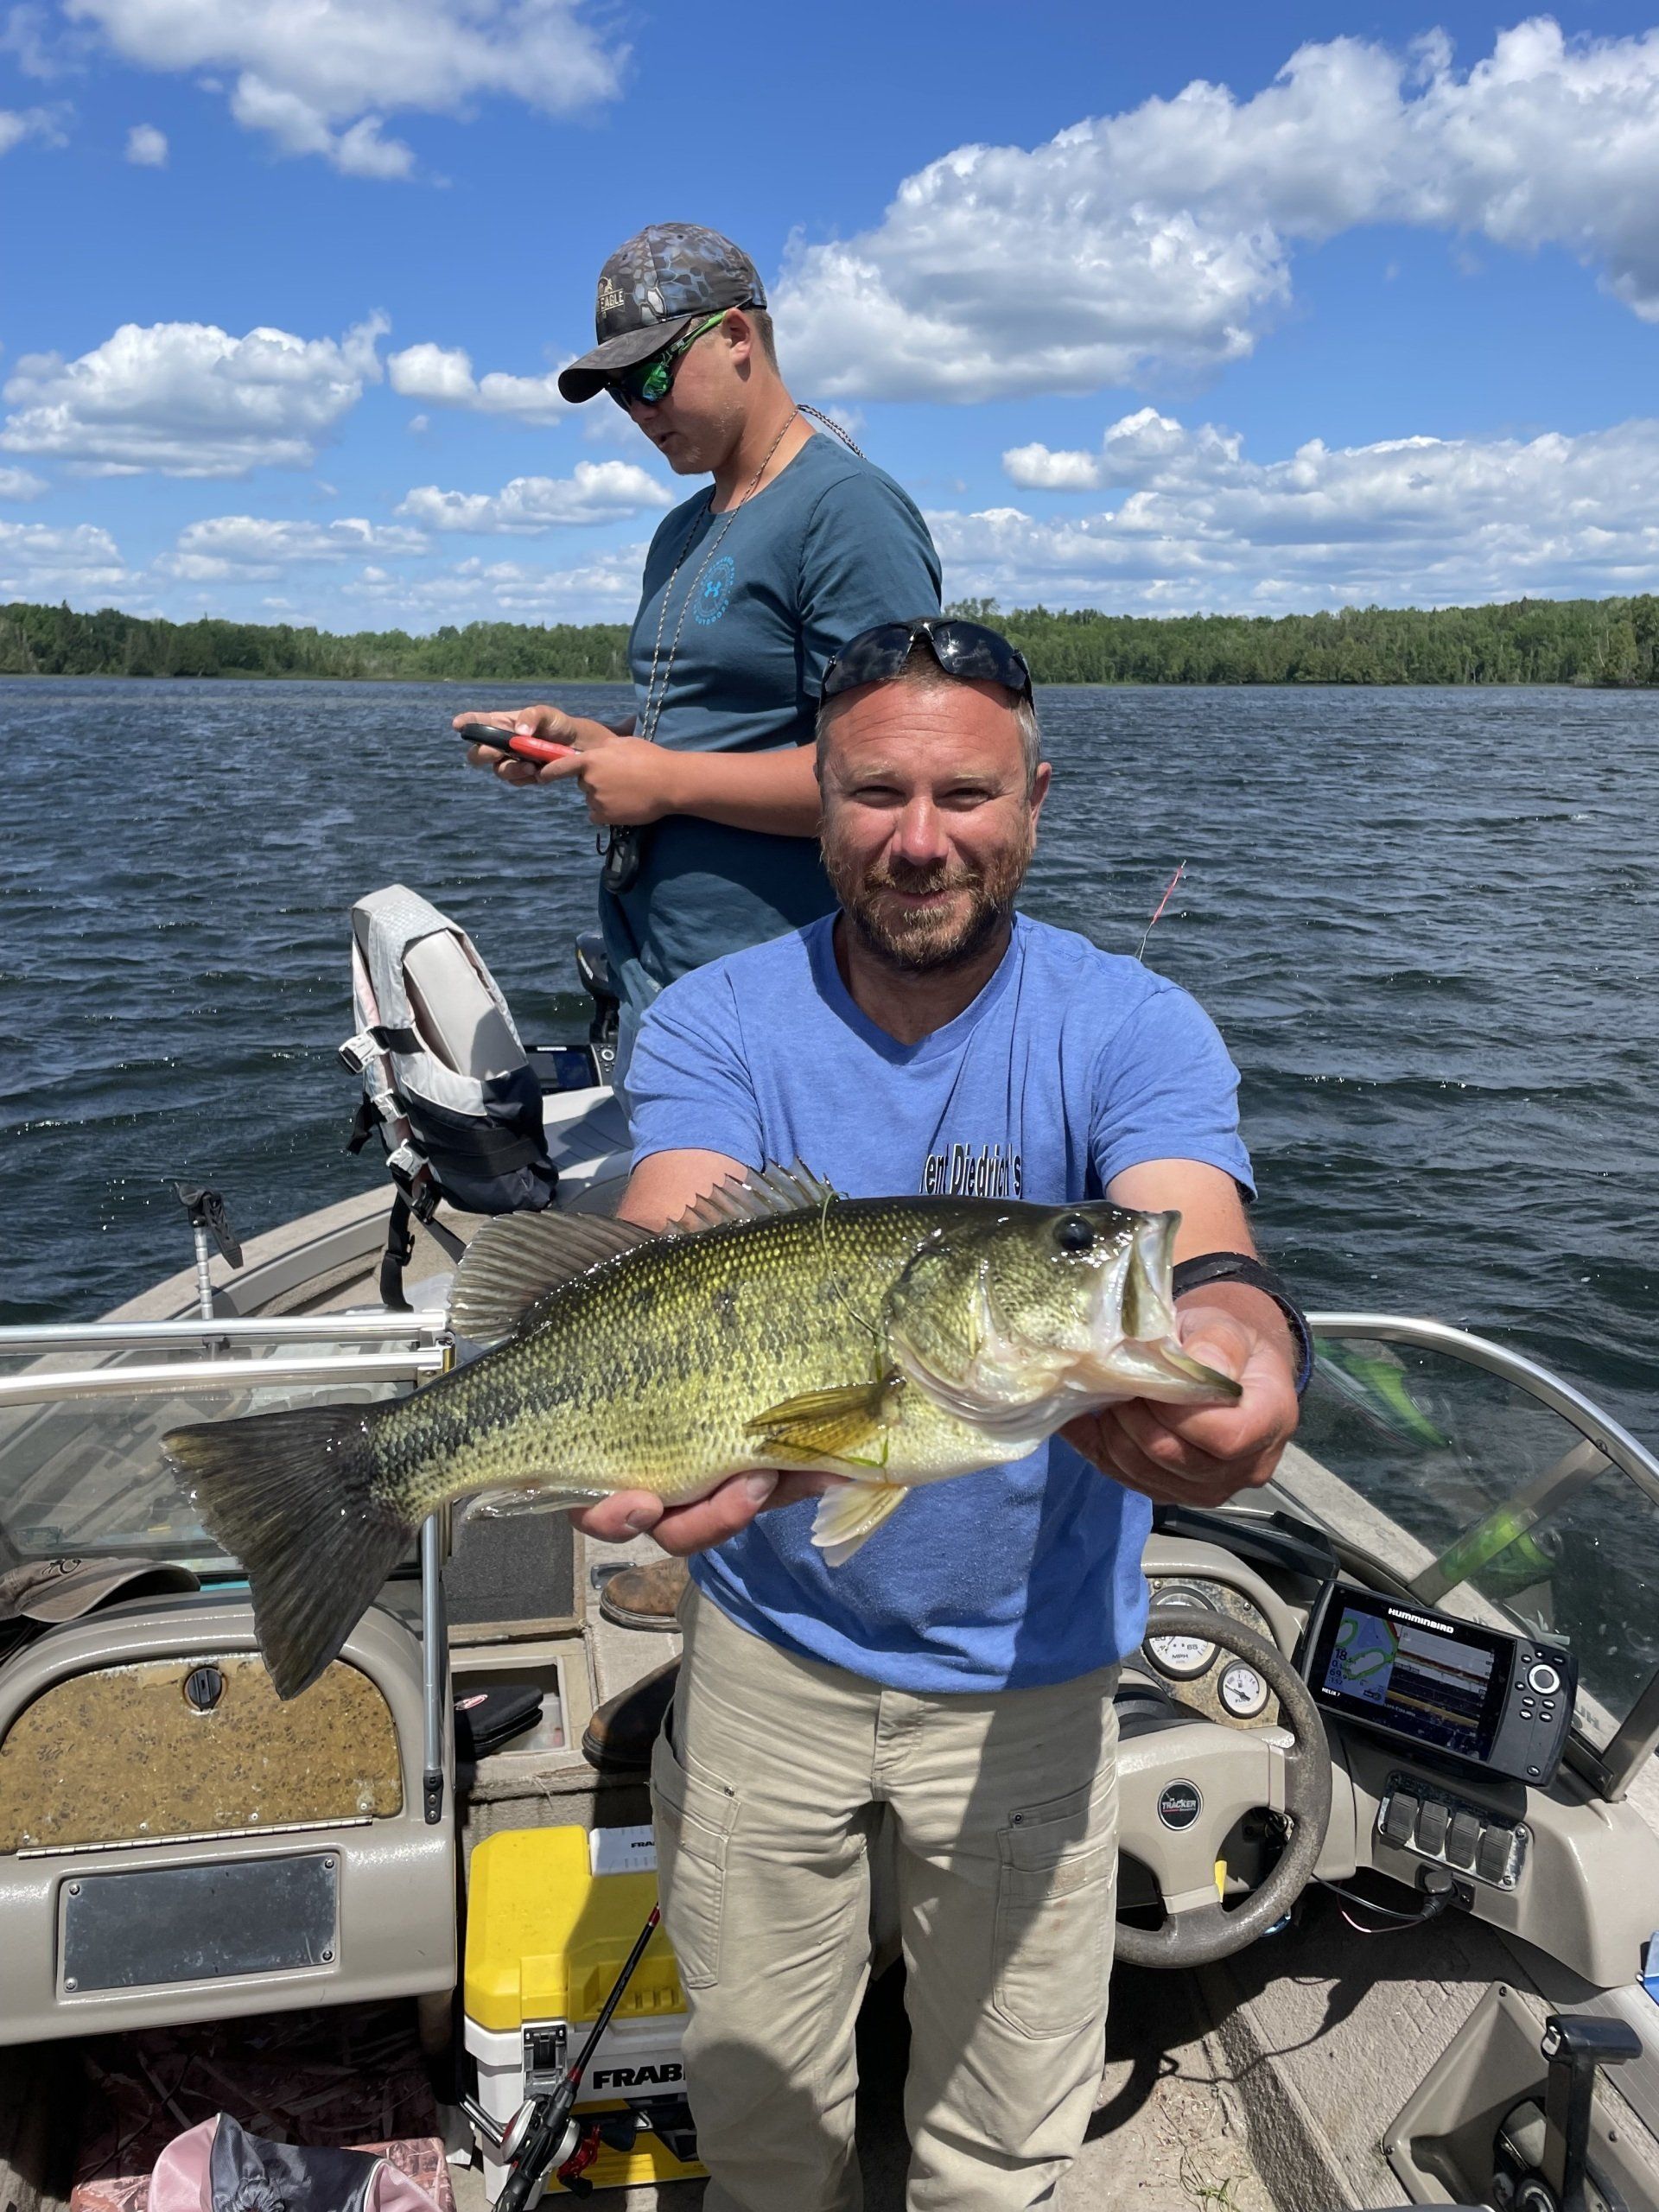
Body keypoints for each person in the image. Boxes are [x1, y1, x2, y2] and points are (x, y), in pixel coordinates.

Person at [570, 616, 1308, 2212]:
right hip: (770, 1657)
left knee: (1005, 2133)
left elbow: (1200, 1246)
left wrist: (1242, 1344)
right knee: (762, 2115)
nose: (921, 842)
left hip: (1039, 1679)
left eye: (966, 795)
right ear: (817, 806)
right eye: (875, 797)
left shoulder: (1132, 1024)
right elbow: (675, 1231)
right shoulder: (713, 1015)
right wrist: (651, 1404)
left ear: (1037, 798)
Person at [452, 223, 942, 1087]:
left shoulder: (847, 513)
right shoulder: (681, 529)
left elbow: (894, 776)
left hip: (790, 1020)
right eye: (616, 394)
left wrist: (665, 781)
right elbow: (707, 724)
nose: (638, 411)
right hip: (665, 995)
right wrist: (592, 743)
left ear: (739, 337)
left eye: (651, 376)